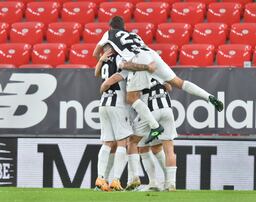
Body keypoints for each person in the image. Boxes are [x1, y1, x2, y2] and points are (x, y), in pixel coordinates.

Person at [93, 16, 224, 144]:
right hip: (152, 54)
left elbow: (95, 53)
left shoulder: (109, 34)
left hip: (139, 58)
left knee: (131, 98)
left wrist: (102, 57)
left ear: (110, 27)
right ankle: (209, 97)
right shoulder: (133, 35)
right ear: (125, 27)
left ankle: (155, 126)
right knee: (179, 82)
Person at [101, 76, 178, 192]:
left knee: (133, 142)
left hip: (149, 112)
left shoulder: (138, 74)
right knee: (163, 148)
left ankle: (137, 179)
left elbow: (131, 97)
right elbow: (169, 87)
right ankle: (170, 183)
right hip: (167, 111)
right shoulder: (159, 72)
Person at [94, 44, 132, 191]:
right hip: (117, 103)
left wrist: (100, 60)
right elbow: (118, 76)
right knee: (122, 142)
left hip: (104, 102)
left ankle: (100, 178)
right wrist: (106, 84)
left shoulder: (105, 59)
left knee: (108, 142)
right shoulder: (121, 59)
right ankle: (116, 180)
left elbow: (96, 73)